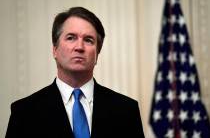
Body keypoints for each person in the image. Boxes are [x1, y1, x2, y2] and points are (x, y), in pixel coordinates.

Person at [6, 7, 145, 138]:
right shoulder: (24, 112)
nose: (79, 47)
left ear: (97, 54)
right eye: (71, 38)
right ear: (55, 50)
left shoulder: (127, 110)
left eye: (88, 40)